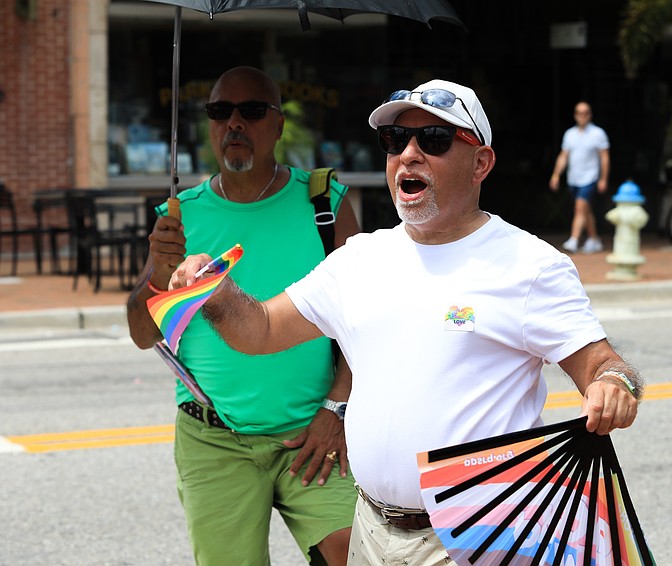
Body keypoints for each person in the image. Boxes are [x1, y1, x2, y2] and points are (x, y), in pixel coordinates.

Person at [168, 79, 643, 565]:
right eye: (395, 140)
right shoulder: (361, 259)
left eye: (434, 140)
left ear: (481, 163)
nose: (409, 154)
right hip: (372, 530)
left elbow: (604, 365)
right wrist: (218, 293)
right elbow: (262, 329)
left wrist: (614, 386)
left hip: (475, 537)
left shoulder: (530, 266)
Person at [125, 66, 360, 565]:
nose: (234, 123)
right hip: (214, 439)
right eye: (220, 111)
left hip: (311, 431)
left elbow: (365, 321)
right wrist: (159, 273)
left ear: (278, 124)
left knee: (351, 552)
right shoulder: (179, 215)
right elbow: (143, 334)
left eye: (251, 110)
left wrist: (337, 409)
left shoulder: (324, 205)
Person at [548, 101, 610, 254]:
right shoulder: (570, 134)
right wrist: (556, 174)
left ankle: (573, 240)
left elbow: (604, 158)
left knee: (579, 208)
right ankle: (594, 239)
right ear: (575, 115)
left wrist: (603, 178)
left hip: (590, 177)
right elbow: (564, 156)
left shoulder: (598, 133)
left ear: (590, 114)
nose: (583, 116)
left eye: (586, 112)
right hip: (573, 178)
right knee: (585, 210)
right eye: (579, 113)